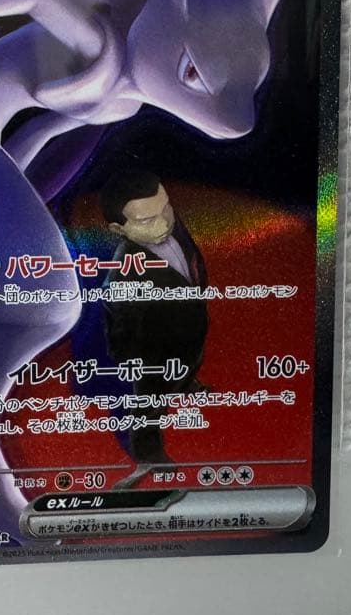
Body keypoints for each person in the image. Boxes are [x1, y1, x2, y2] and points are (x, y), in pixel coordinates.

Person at [99, 170, 210, 483]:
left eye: (166, 209)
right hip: (153, 353)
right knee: (149, 403)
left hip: (189, 327)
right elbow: (120, 326)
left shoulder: (175, 227)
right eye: (147, 220)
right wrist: (135, 361)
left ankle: (186, 382)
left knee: (191, 361)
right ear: (118, 228)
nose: (163, 224)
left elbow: (192, 260)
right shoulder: (122, 274)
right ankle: (148, 453)